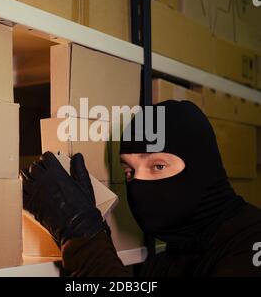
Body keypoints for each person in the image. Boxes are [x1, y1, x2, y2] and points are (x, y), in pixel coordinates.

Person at [21, 100, 261, 277]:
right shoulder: (165, 263)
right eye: (130, 171)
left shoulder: (252, 242)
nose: (139, 185)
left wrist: (82, 234)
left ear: (202, 167)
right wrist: (93, 230)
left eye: (157, 166)